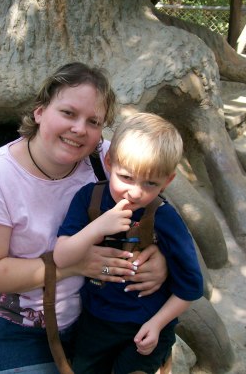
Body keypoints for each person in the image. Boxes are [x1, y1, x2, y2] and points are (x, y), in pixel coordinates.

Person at [0, 63, 168, 374]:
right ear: (40, 111)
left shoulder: (109, 160)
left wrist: (161, 260)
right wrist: (74, 266)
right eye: (68, 113)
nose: (80, 129)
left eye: (93, 121)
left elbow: (158, 210)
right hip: (21, 331)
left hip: (101, 317)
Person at [54, 112, 204, 374]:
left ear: (167, 181)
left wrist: (158, 324)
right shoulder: (89, 198)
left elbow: (191, 287)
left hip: (146, 323)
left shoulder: (164, 217)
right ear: (109, 162)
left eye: (150, 183)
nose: (135, 192)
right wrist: (97, 227)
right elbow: (62, 256)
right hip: (96, 321)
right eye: (126, 177)